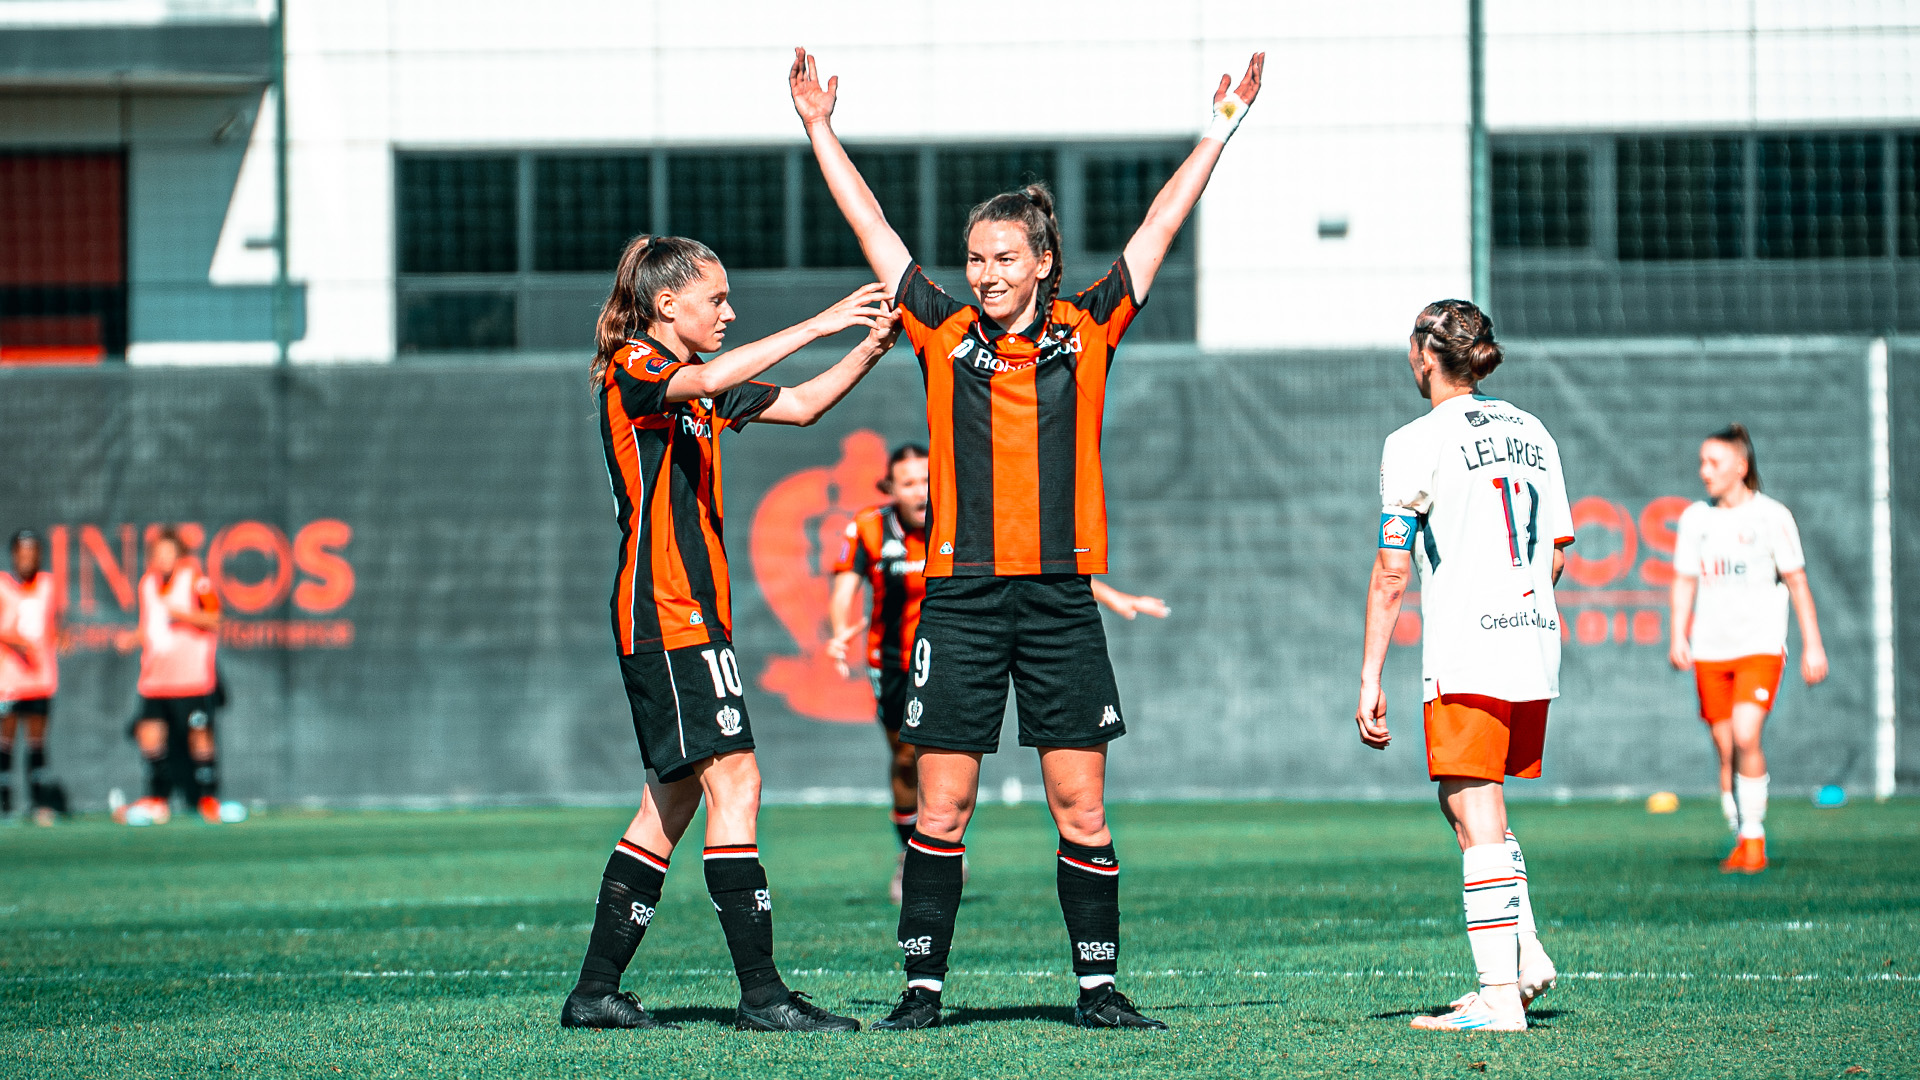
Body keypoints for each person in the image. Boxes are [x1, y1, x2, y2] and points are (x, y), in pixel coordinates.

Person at [792, 45, 1261, 1030]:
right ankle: (921, 993)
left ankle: (1099, 991)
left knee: (1081, 808)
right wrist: (820, 129)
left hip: (1058, 602)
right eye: (976, 259)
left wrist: (1220, 128)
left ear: (1044, 262)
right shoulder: (939, 329)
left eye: (1005, 258)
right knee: (940, 809)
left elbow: (1159, 223)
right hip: (960, 602)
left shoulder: (1091, 326)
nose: (987, 273)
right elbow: (873, 226)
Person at [560, 233, 901, 1034]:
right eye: (715, 299)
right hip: (665, 610)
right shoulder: (637, 367)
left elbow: (804, 406)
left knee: (671, 803)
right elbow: (710, 378)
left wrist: (870, 347)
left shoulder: (696, 388)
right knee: (738, 783)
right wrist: (820, 322)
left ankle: (595, 993)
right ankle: (763, 996)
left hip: (692, 616)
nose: (729, 312)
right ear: (665, 303)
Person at [1353, 300, 1575, 1033]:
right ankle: (1525, 956)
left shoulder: (1414, 441)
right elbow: (1558, 553)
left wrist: (1369, 676)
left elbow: (1392, 571)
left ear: (1426, 355)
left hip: (1469, 646)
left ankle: (1499, 997)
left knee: (1475, 809)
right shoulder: (1533, 430)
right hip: (1533, 638)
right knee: (1469, 804)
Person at [825, 446, 1171, 903]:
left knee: (948, 757)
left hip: (959, 653)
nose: (921, 492)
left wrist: (1111, 596)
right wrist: (838, 630)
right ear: (889, 488)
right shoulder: (869, 528)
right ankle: (912, 850)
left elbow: (1033, 568)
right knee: (907, 758)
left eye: (927, 480)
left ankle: (933, 844)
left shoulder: (961, 520)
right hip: (895, 662)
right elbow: (844, 587)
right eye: (908, 483)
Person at [1668, 424, 1826, 874]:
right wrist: (1678, 635)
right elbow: (1684, 581)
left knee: (1745, 734)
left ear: (1740, 466)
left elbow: (1797, 582)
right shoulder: (1695, 519)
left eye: (1713, 463)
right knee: (1726, 749)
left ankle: (1754, 838)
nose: (1704, 471)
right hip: (1710, 650)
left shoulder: (1772, 516)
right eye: (1702, 462)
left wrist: (1813, 644)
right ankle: (1741, 836)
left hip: (1759, 646)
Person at [114, 528, 233, 826]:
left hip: (192, 678)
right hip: (155, 678)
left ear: (180, 556)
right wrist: (133, 639)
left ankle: (208, 799)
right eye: (159, 554)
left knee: (199, 737)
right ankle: (158, 800)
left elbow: (216, 618)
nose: (164, 559)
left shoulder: (195, 580)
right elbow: (151, 626)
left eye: (170, 553)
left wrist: (183, 615)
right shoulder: (147, 584)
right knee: (150, 735)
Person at [0, 530, 63, 825]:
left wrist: (60, 636)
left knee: (37, 742)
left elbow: (52, 623)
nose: (27, 559)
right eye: (22, 553)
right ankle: (5, 803)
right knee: (6, 742)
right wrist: (16, 643)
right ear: (13, 555)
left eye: (32, 553)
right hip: (9, 679)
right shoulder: (2, 585)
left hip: (40, 677)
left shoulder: (48, 584)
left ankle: (40, 802)